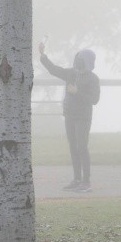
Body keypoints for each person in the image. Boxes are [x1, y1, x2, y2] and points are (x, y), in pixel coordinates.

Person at [38, 42, 100, 192]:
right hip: (69, 115)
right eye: (77, 58)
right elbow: (54, 70)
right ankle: (77, 179)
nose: (77, 61)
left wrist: (76, 92)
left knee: (82, 147)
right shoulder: (71, 73)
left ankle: (86, 182)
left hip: (83, 117)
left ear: (87, 61)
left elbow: (94, 100)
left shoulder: (93, 78)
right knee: (73, 147)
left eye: (80, 59)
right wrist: (43, 55)